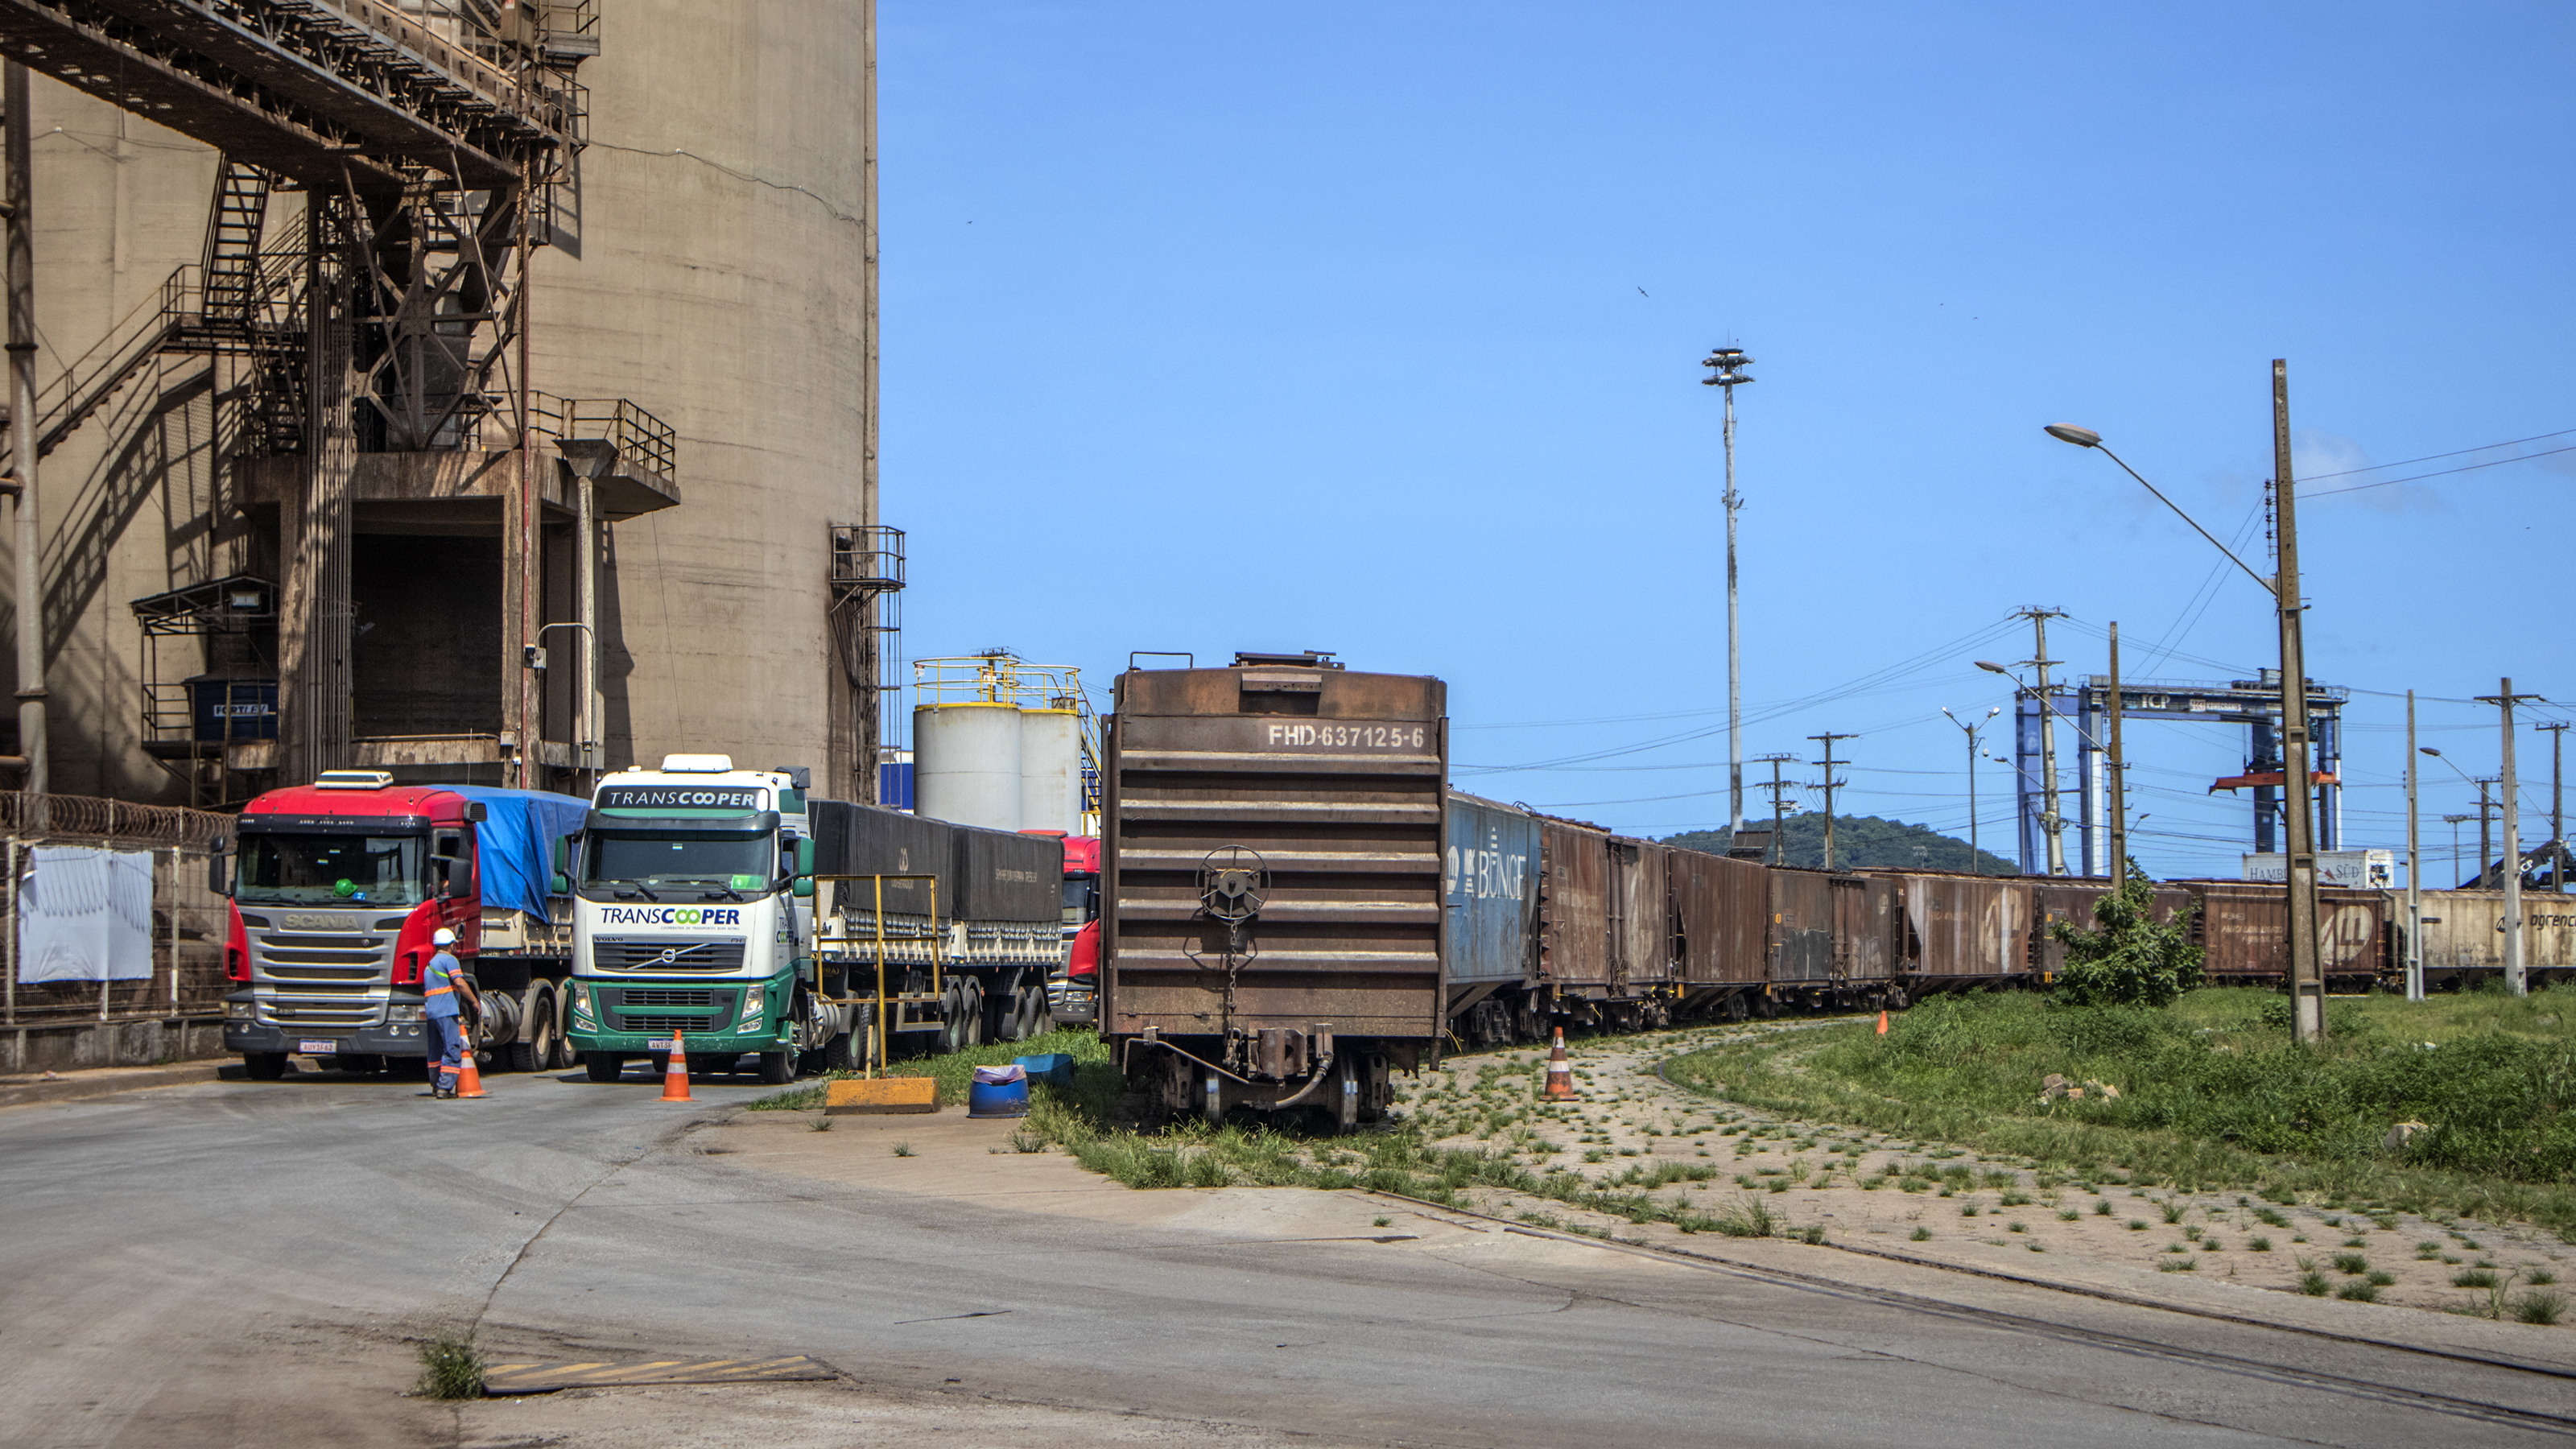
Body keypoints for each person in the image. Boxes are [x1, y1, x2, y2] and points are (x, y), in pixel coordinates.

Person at [423, 927, 481, 1098]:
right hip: (446, 1011)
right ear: (451, 945)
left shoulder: (430, 964)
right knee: (452, 1048)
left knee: (435, 1051)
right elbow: (460, 983)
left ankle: (436, 1085)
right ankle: (445, 1087)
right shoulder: (449, 960)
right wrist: (474, 1001)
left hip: (432, 1013)